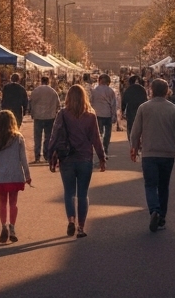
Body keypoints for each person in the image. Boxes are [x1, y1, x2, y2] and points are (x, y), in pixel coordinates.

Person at [47, 84, 107, 238]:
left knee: (69, 192)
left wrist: (50, 156)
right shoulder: (91, 116)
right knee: (83, 194)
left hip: (66, 158)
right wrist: (101, 157)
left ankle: (71, 220)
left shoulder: (63, 114)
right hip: (85, 159)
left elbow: (54, 135)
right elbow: (96, 139)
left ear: (68, 98)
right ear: (84, 98)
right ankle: (81, 228)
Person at [128, 78, 175, 232]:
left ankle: (154, 209)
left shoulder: (144, 108)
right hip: (167, 154)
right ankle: (161, 217)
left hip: (149, 153)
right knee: (163, 186)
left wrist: (133, 148)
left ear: (151, 90)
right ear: (167, 91)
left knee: (150, 185)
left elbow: (135, 132)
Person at [0, 109, 31, 243]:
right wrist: (27, 176)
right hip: (15, 174)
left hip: (1, 176)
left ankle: (3, 226)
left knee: (2, 202)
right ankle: (12, 227)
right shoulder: (18, 138)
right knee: (13, 203)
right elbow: (23, 159)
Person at [28, 78, 61, 162]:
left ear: (41, 81)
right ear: (48, 82)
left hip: (38, 117)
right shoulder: (53, 92)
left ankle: (37, 157)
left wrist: (31, 112)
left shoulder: (36, 91)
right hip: (50, 117)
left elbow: (30, 102)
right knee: (48, 137)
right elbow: (58, 104)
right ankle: (47, 155)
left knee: (37, 137)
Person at [90, 73, 118, 156]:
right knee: (107, 133)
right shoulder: (110, 91)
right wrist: (114, 115)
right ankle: (105, 148)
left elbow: (91, 102)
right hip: (107, 114)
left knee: (99, 133)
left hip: (97, 114)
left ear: (100, 81)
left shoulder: (94, 91)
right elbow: (113, 104)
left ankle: (99, 149)